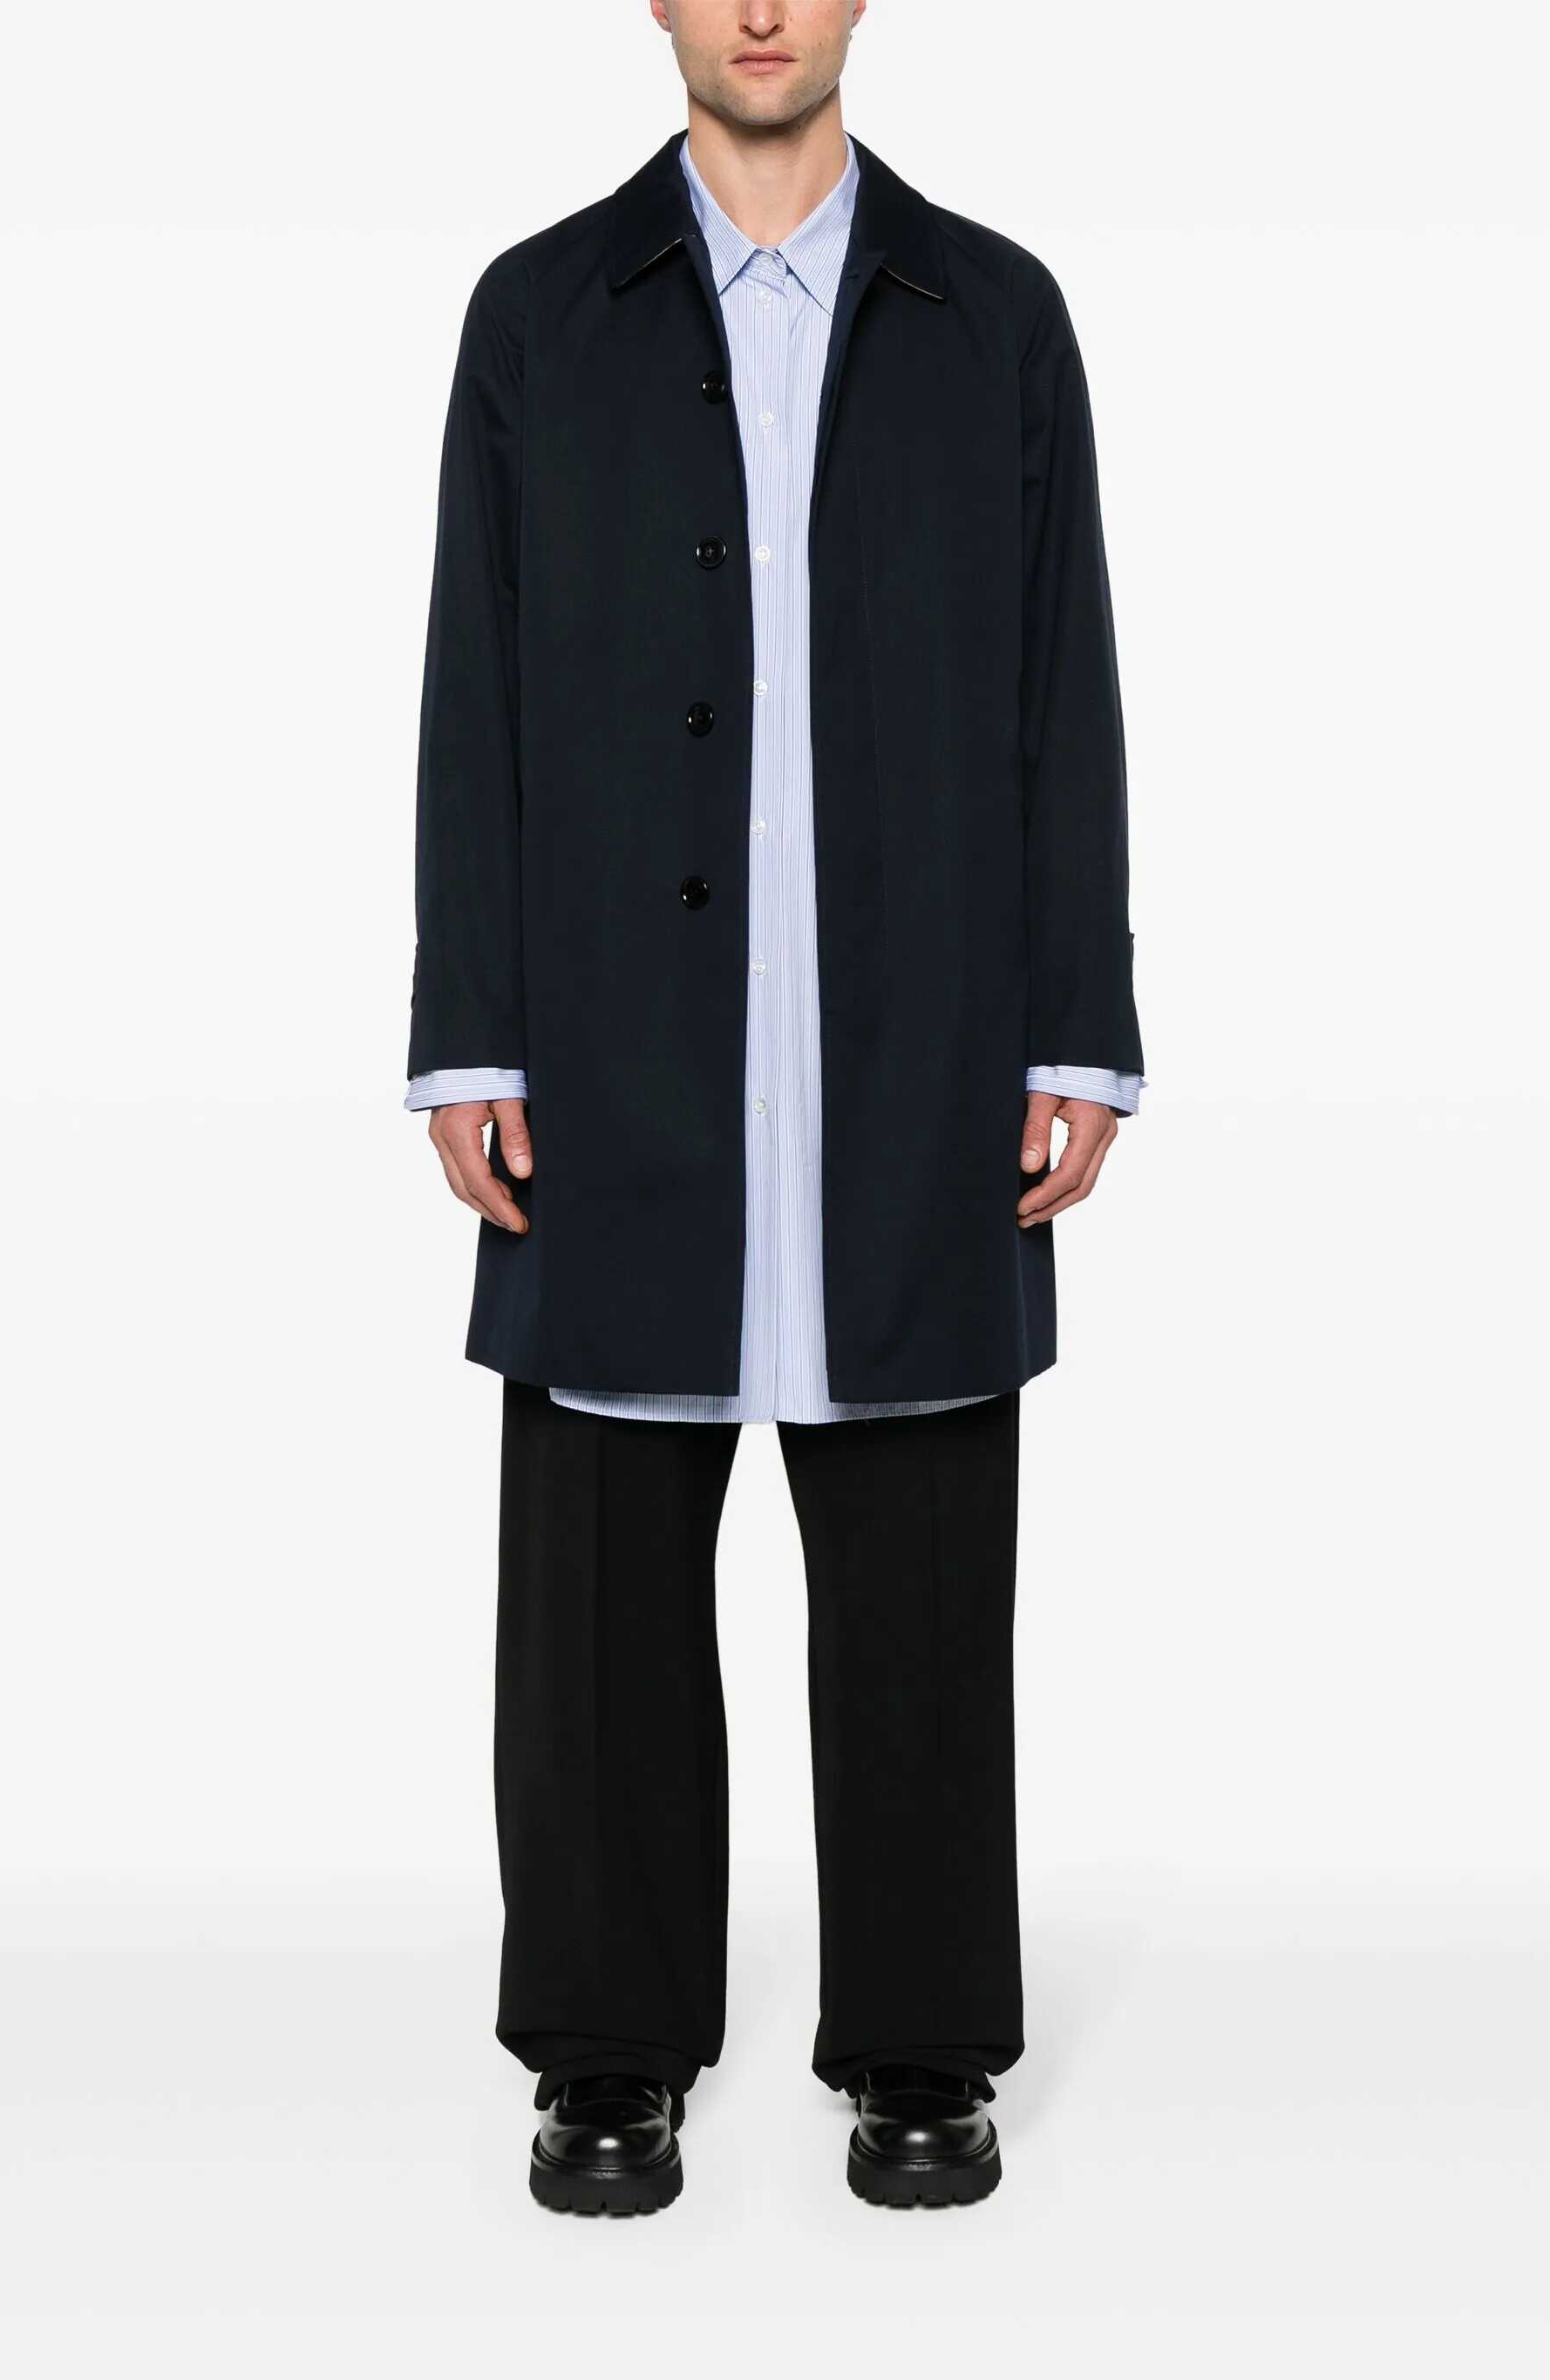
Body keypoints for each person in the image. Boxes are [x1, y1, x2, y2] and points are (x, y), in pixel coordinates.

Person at [407, 0, 1143, 2213]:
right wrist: (473, 1031)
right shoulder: (540, 314)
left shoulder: (994, 316)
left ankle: (921, 2039)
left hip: (914, 1042)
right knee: (599, 1580)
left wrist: (1074, 1024)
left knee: (919, 1565)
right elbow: (473, 681)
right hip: (614, 1036)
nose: (757, 10)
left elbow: (1064, 679)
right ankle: (604, 2045)